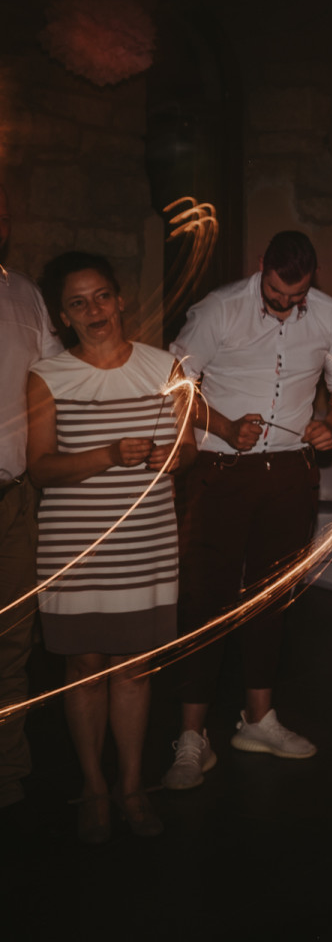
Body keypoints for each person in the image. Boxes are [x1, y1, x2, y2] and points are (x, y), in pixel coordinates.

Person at [163, 230, 332, 789]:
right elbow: (177, 384)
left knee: (271, 598)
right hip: (221, 473)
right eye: (276, 293)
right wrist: (223, 426)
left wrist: (330, 425)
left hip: (291, 474)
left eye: (296, 297)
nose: (285, 306)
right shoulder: (218, 310)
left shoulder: (328, 315)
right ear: (261, 269)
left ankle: (258, 720)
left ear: (310, 281)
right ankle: (193, 738)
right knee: (207, 599)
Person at [26, 252, 192, 841]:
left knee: (136, 671)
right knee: (84, 667)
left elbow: (188, 449)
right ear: (64, 317)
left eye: (101, 296)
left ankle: (130, 787)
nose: (93, 310)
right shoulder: (49, 375)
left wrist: (164, 454)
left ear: (120, 300)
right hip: (76, 546)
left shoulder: (164, 366)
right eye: (78, 303)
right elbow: (40, 469)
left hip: (146, 542)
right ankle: (93, 788)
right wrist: (105, 455)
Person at [0, 184, 63, 815]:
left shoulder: (23, 294)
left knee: (14, 639)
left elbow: (54, 381)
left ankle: (7, 771)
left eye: (3, 209)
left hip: (12, 499)